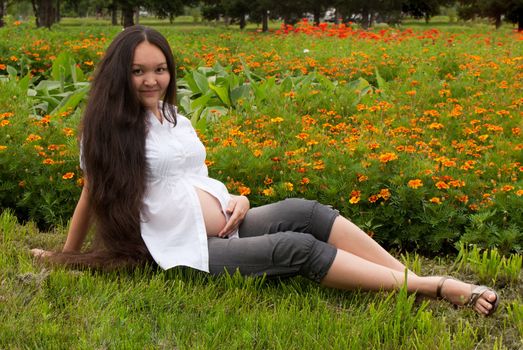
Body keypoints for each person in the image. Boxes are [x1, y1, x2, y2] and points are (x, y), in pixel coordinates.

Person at [30, 25, 499, 317]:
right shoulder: (107, 133)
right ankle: (433, 287)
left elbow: (194, 177)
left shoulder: (176, 119)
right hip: (181, 249)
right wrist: (65, 255)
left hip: (221, 224)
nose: (152, 80)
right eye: (138, 71)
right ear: (119, 74)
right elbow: (91, 194)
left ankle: (406, 282)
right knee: (296, 248)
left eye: (160, 69)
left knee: (307, 211)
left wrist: (238, 199)